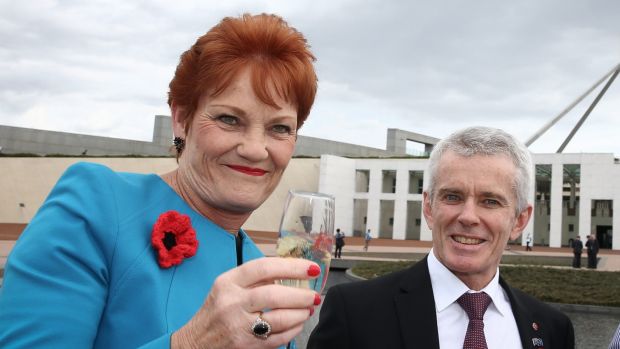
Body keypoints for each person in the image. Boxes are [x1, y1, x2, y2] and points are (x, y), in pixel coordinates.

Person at [0, 13, 321, 349]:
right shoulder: (96, 208)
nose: (256, 149)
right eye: (229, 119)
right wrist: (191, 344)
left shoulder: (268, 276)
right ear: (182, 119)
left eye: (280, 128)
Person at [308, 126, 574, 349]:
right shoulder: (354, 312)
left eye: (490, 201)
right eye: (452, 197)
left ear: (519, 220)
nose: (468, 216)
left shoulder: (552, 329)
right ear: (428, 207)